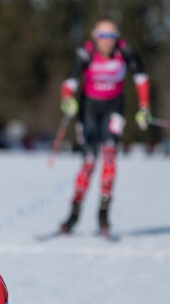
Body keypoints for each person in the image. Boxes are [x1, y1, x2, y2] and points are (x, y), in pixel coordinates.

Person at [59, 15, 152, 236]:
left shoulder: (126, 51)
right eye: (102, 35)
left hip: (114, 107)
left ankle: (103, 215)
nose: (107, 40)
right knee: (89, 162)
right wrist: (67, 98)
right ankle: (73, 214)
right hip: (89, 110)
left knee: (109, 156)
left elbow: (141, 78)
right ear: (94, 36)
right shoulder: (86, 53)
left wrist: (144, 107)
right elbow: (70, 80)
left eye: (112, 35)